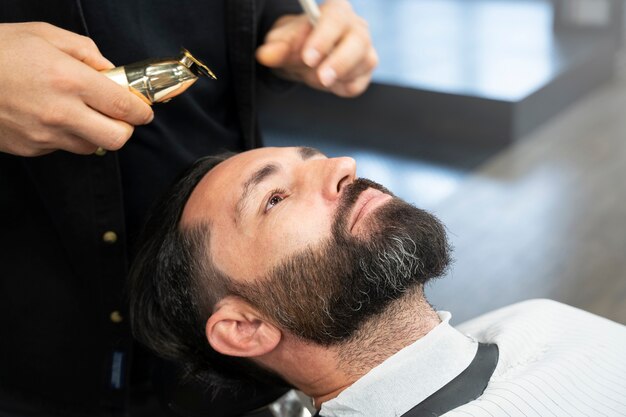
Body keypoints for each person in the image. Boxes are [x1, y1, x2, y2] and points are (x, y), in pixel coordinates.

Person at [0, 1, 378, 416]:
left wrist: (286, 26)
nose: (347, 166)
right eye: (275, 198)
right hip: (35, 323)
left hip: (237, 354)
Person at [129, 146, 626, 417]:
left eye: (314, 158)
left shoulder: (537, 321)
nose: (343, 166)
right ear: (245, 327)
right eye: (274, 198)